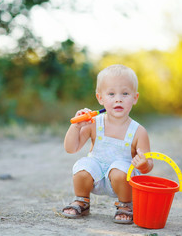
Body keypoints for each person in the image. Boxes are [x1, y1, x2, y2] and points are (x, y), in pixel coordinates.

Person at [62, 64, 153, 224]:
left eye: (125, 93)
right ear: (100, 98)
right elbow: (71, 149)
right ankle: (82, 201)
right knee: (83, 166)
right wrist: (75, 126)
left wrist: (144, 164)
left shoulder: (138, 131)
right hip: (96, 177)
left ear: (135, 98)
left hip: (122, 180)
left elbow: (148, 164)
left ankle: (125, 205)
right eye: (111, 94)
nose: (118, 98)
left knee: (119, 170)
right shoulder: (93, 123)